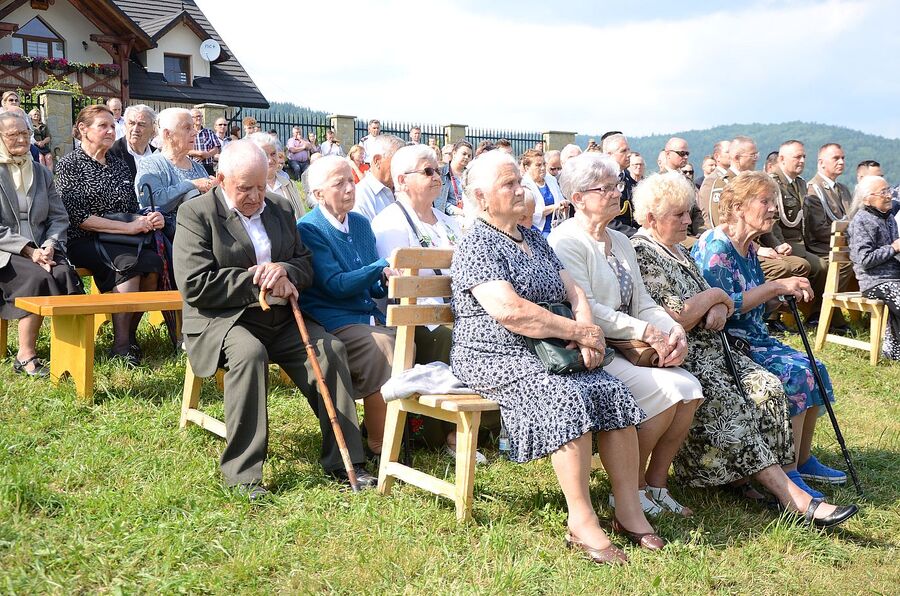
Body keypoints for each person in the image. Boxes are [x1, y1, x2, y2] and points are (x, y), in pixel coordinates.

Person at [452, 150, 663, 565]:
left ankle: (627, 509)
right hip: (496, 352)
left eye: (519, 181)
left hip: (552, 348)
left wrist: (587, 335)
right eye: (508, 184)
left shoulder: (532, 237)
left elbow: (575, 292)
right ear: (480, 196)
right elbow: (511, 311)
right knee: (564, 398)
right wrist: (578, 332)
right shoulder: (476, 243)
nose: (520, 189)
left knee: (610, 390)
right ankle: (580, 519)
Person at [630, 171, 859, 527]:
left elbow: (709, 303)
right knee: (742, 400)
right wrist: (719, 298)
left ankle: (774, 475)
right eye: (679, 215)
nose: (689, 220)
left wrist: (717, 302)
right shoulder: (644, 251)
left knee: (767, 388)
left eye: (688, 212)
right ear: (650, 218)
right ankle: (792, 497)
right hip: (687, 352)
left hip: (714, 347)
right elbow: (680, 314)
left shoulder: (674, 249)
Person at [172, 141, 377, 498]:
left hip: (280, 318)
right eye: (244, 188)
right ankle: (243, 475)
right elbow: (195, 284)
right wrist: (259, 279)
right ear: (221, 179)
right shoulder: (196, 214)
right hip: (225, 319)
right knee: (249, 354)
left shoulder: (280, 208)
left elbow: (304, 264)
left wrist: (283, 269)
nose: (255, 196)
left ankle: (347, 462)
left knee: (328, 349)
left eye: (261, 186)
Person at [549, 153, 703, 517]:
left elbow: (643, 300)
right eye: (605, 188)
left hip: (627, 346)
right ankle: (628, 488)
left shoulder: (619, 240)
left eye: (617, 185)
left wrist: (673, 330)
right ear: (578, 197)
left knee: (690, 388)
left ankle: (656, 484)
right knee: (668, 393)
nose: (617, 193)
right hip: (594, 350)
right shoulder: (566, 241)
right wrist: (645, 331)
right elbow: (586, 308)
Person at [692, 171, 848, 496]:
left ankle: (802, 459)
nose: (774, 209)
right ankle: (787, 468)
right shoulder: (716, 249)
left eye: (774, 201)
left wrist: (779, 299)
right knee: (794, 374)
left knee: (815, 369)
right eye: (765, 201)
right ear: (737, 207)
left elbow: (753, 299)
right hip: (731, 344)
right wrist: (775, 285)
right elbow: (724, 307)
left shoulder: (748, 247)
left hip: (756, 337)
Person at [371, 144, 492, 461]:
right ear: (402, 179)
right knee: (463, 340)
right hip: (418, 321)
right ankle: (449, 432)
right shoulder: (389, 224)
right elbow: (398, 288)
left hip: (456, 312)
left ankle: (485, 426)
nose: (436, 176)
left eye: (438, 170)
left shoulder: (448, 220)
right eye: (427, 171)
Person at [297, 156, 396, 455]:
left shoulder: (362, 224)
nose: (350, 189)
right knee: (385, 346)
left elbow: (372, 284)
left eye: (351, 181)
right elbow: (335, 284)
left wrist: (385, 279)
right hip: (332, 319)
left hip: (366, 315)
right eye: (339, 184)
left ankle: (400, 430)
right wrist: (380, 265)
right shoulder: (309, 228)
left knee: (407, 341)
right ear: (318, 195)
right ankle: (380, 443)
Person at [56, 105, 164, 364]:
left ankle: (128, 333)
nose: (110, 131)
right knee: (129, 265)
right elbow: (79, 219)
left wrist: (147, 218)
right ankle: (121, 346)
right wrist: (128, 227)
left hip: (121, 238)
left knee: (154, 265)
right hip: (83, 240)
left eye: (112, 126)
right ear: (83, 129)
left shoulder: (119, 164)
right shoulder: (69, 165)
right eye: (102, 126)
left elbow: (129, 208)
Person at [0, 110, 82, 376]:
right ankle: (25, 355)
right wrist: (28, 250)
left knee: (64, 274)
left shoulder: (40, 172)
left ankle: (73, 351)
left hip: (40, 249)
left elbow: (58, 216)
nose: (22, 140)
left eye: (25, 133)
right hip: (6, 250)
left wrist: (49, 245)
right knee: (37, 278)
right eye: (13, 135)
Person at [848, 175, 900, 360]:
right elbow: (865, 259)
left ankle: (893, 351)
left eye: (889, 191)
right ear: (867, 198)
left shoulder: (889, 218)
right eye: (883, 192)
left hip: (894, 278)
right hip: (874, 281)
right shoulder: (862, 220)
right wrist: (893, 248)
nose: (889, 196)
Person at [135, 108, 215, 218]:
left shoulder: (198, 167)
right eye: (187, 128)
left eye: (193, 127)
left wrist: (216, 190)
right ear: (167, 134)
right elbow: (152, 203)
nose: (194, 133)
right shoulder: (150, 164)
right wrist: (191, 184)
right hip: (170, 234)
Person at [247, 132, 307, 221]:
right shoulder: (248, 188)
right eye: (264, 155)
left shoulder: (288, 184)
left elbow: (301, 216)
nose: (270, 160)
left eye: (273, 154)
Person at [352, 134, 404, 221]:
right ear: (377, 161)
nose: (403, 167)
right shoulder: (361, 196)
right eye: (397, 161)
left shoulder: (403, 189)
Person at [520, 149, 566, 236]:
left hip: (556, 226)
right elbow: (532, 213)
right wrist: (555, 207)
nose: (543, 168)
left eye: (544, 164)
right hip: (536, 229)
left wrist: (564, 205)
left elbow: (561, 200)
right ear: (527, 168)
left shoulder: (551, 179)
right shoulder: (523, 184)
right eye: (538, 165)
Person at [108, 104, 157, 186]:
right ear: (125, 126)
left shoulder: (157, 154)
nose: (135, 129)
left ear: (153, 130)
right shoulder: (111, 152)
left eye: (141, 124)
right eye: (131, 123)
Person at [602, 133, 638, 236]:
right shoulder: (603, 181)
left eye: (628, 149)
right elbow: (607, 220)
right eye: (623, 151)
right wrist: (634, 234)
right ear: (609, 155)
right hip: (614, 235)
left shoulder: (627, 177)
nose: (629, 154)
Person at [435, 140, 473, 217]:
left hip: (468, 218)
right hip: (445, 217)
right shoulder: (441, 173)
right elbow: (437, 200)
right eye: (464, 154)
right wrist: (458, 211)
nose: (466, 157)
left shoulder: (471, 175)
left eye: (469, 156)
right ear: (454, 153)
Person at [188, 108, 220, 176]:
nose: (199, 118)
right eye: (196, 116)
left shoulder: (209, 132)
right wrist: (200, 153)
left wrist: (208, 154)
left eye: (200, 116)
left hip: (208, 166)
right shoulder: (187, 133)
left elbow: (216, 148)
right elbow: (184, 149)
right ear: (191, 119)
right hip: (193, 166)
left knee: (210, 186)